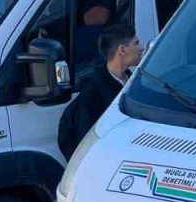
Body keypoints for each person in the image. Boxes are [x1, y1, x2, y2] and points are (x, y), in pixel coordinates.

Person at [58, 24, 143, 159]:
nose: (141, 48)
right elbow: (84, 140)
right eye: (136, 43)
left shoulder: (134, 83)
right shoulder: (93, 92)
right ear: (122, 50)